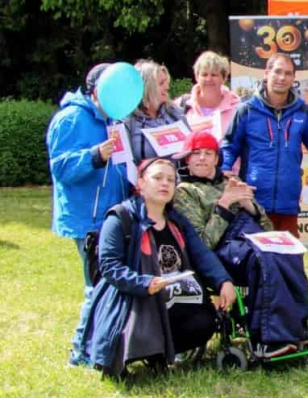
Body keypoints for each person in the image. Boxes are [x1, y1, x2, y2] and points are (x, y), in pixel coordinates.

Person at [72, 158, 237, 377]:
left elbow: (202, 254)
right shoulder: (120, 218)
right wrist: (144, 283)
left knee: (204, 322)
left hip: (175, 295)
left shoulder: (177, 221)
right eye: (158, 178)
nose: (165, 183)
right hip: (134, 298)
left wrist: (223, 281)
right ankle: (139, 352)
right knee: (142, 323)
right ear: (141, 183)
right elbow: (110, 266)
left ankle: (161, 353)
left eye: (170, 179)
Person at [174, 130, 308, 356]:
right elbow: (203, 243)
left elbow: (267, 227)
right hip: (222, 248)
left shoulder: (232, 181)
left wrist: (249, 206)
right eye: (196, 153)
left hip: (251, 236)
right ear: (186, 159)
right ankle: (270, 337)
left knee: (288, 254)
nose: (202, 158)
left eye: (208, 153)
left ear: (217, 158)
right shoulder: (184, 192)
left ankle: (297, 328)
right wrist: (225, 204)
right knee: (262, 260)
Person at [49, 64, 131, 361]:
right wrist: (94, 156)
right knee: (96, 286)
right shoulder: (71, 118)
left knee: (106, 284)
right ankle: (81, 352)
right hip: (88, 219)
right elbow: (60, 168)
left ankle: (102, 345)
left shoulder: (114, 120)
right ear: (97, 90)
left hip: (111, 215)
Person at [220, 52, 308, 235]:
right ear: (266, 73)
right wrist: (224, 170)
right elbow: (229, 146)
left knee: (289, 254)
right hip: (252, 204)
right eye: (277, 71)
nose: (282, 78)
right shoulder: (246, 110)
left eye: (288, 73)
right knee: (254, 254)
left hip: (287, 204)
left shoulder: (302, 112)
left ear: (294, 78)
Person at [125, 60, 189, 164]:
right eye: (161, 83)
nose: (167, 87)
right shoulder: (128, 120)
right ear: (146, 87)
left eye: (166, 82)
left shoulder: (175, 112)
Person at [177, 51, 241, 141]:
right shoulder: (181, 105)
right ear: (196, 77)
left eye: (214, 75)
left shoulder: (238, 108)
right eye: (204, 74)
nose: (209, 79)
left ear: (224, 78)